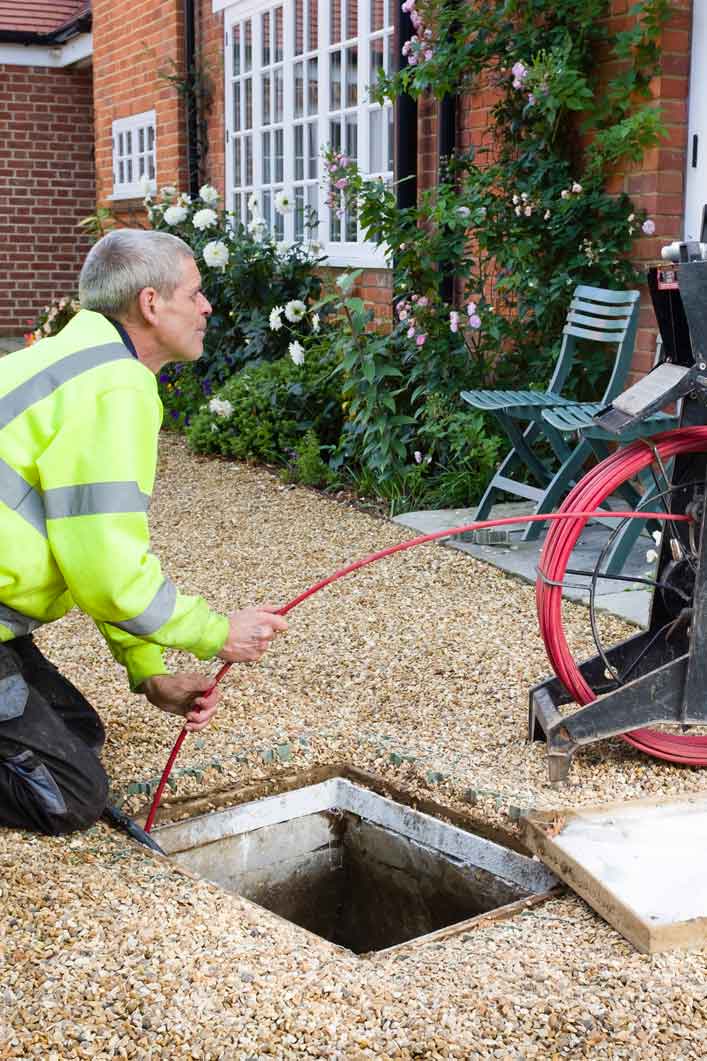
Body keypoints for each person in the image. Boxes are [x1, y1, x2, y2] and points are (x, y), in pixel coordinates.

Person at [0, 229, 288, 836]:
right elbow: (108, 573)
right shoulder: (115, 386)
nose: (208, 307)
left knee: (79, 735)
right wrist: (216, 634)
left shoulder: (81, 363)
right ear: (152, 304)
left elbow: (89, 551)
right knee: (69, 795)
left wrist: (149, 669)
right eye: (197, 292)